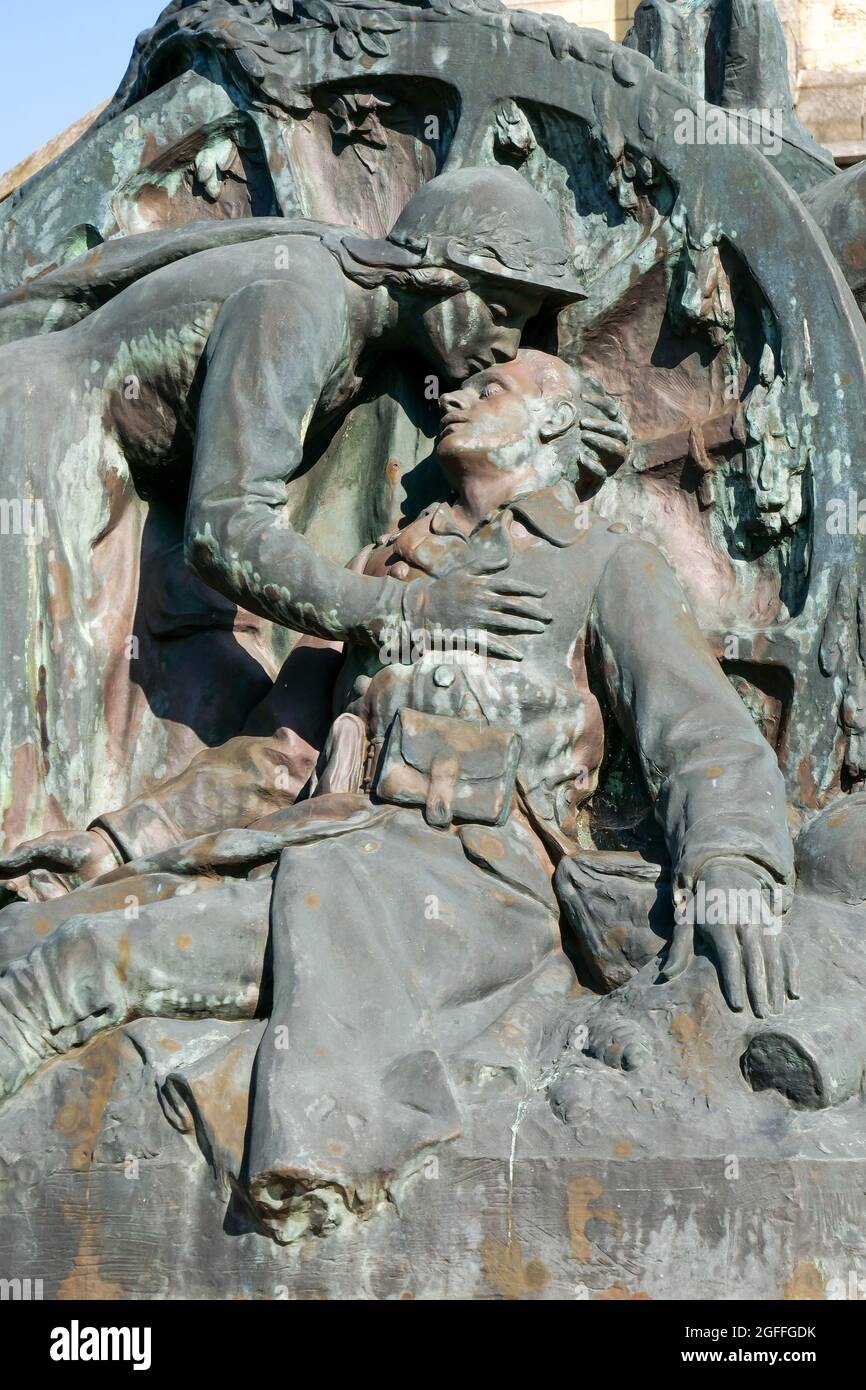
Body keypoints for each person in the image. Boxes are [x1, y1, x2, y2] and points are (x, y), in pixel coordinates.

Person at [0, 350, 797, 1241]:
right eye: (460, 384)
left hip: (467, 889)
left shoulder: (606, 565)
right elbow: (274, 753)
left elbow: (701, 734)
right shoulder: (385, 570)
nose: (454, 395)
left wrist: (733, 858)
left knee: (71, 972)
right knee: (28, 938)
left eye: (490, 389)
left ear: (555, 425)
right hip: (324, 854)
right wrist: (114, 841)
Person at [0, 166, 583, 841]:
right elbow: (225, 530)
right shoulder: (300, 302)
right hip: (43, 438)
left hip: (122, 474)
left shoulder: (345, 303)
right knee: (29, 755)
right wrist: (402, 610)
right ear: (438, 274)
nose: (507, 346)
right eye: (502, 314)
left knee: (175, 709)